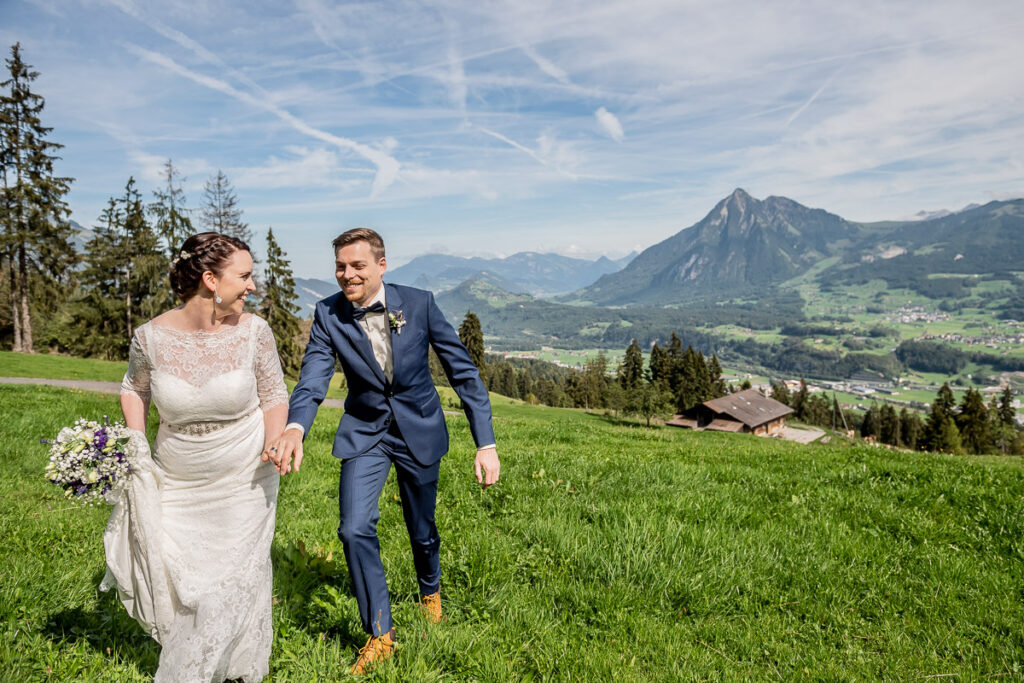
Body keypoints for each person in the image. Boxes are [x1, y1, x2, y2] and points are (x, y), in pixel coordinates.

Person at [264, 227, 499, 675]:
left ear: (381, 266)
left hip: (420, 429)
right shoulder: (327, 314)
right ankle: (379, 633)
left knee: (421, 527)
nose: (346, 275)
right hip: (366, 432)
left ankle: (429, 588)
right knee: (353, 528)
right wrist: (295, 427)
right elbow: (313, 376)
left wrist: (484, 443)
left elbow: (464, 373)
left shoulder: (419, 303)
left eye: (357, 266)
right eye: (340, 267)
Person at [102, 232, 289, 682]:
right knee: (187, 580)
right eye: (244, 276)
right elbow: (134, 389)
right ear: (210, 279)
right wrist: (136, 444)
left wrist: (276, 438)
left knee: (233, 579)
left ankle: (222, 670)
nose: (252, 286)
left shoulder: (254, 332)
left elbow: (274, 393)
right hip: (179, 474)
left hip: (246, 472)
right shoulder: (150, 338)